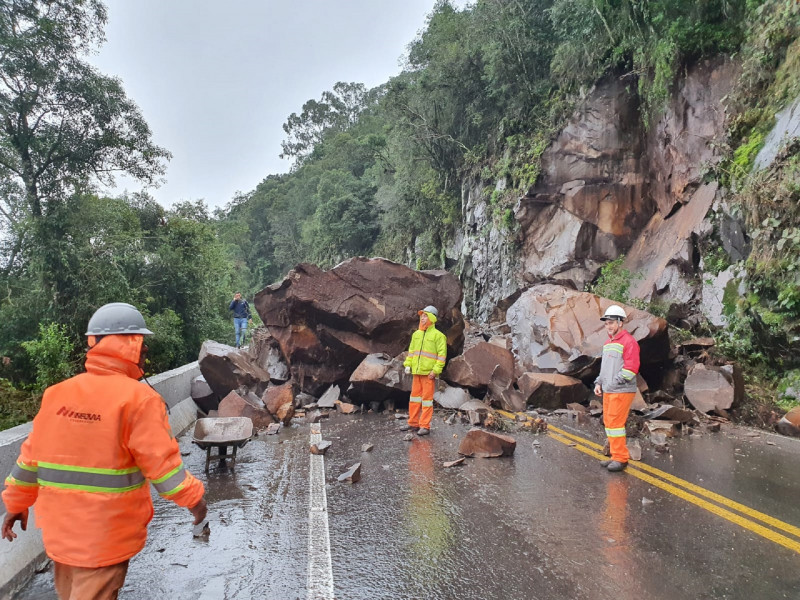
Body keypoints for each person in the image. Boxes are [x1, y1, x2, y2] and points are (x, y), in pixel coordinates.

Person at [2, 303, 207, 600]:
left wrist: (16, 503)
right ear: (130, 345)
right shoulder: (139, 400)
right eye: (142, 343)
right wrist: (196, 502)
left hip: (60, 536)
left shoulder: (57, 394)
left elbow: (29, 461)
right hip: (105, 540)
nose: (146, 350)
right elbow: (163, 470)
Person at [594, 305, 641, 472]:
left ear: (621, 323)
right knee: (610, 422)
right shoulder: (608, 343)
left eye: (612, 323)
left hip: (621, 390)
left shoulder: (629, 342)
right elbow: (604, 368)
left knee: (615, 423)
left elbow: (631, 368)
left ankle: (621, 459)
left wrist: (614, 382)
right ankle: (615, 455)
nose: (609, 326)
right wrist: (598, 383)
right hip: (609, 389)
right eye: (607, 323)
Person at [401, 305, 447, 436]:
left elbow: (442, 355)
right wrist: (407, 365)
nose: (422, 318)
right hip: (416, 372)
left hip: (428, 374)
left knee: (426, 400)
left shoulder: (439, 336)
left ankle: (424, 426)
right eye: (422, 316)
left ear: (432, 318)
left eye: (425, 316)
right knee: (414, 399)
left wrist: (435, 370)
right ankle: (413, 423)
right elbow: (411, 352)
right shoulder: (416, 334)